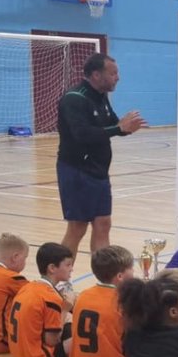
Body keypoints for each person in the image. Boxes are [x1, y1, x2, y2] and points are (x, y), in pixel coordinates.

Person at [56, 52, 147, 257]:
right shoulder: (74, 99)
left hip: (99, 172)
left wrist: (126, 128)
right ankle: (60, 279)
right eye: (113, 73)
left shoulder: (102, 97)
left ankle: (104, 280)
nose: (118, 77)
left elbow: (112, 126)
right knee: (77, 227)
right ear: (96, 75)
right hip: (76, 171)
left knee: (103, 223)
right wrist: (118, 128)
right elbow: (82, 135)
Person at [67, 244, 134, 357]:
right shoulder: (124, 301)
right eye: (132, 269)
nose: (134, 273)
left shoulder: (83, 295)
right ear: (120, 276)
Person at [7, 242, 74, 357]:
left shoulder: (28, 287)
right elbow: (52, 341)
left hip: (19, 356)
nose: (71, 269)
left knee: (69, 326)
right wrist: (65, 309)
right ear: (52, 268)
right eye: (68, 265)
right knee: (82, 337)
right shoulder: (50, 298)